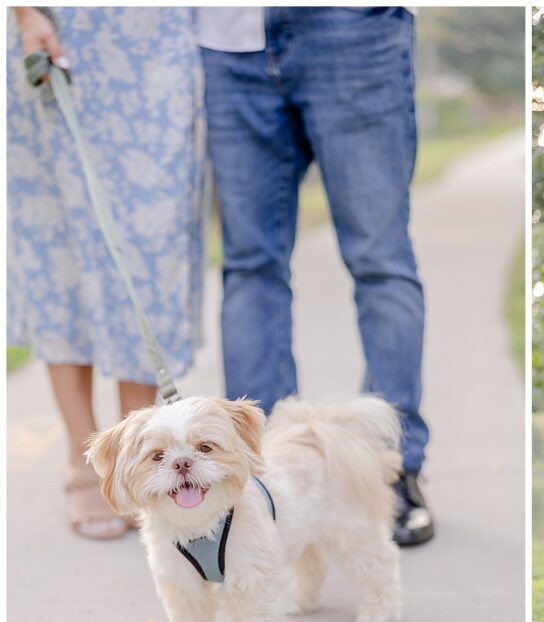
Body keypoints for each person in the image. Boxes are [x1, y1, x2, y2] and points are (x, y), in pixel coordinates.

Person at [197, 6, 433, 546]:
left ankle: (389, 471)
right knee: (250, 265)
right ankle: (262, 472)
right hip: (229, 37)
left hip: (354, 28)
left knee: (380, 259)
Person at [6, 7, 205, 539]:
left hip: (156, 47)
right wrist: (26, 13)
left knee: (148, 249)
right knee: (59, 253)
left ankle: (137, 454)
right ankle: (83, 460)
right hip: (57, 34)